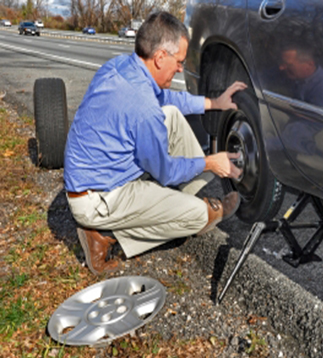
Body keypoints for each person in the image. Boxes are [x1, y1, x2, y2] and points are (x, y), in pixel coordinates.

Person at [63, 11, 246, 275]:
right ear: (161, 57)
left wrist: (213, 103)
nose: (181, 68)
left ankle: (181, 198)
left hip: (96, 177)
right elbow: (166, 170)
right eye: (180, 61)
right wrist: (209, 162)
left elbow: (168, 100)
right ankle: (105, 235)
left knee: (170, 114)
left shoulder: (122, 67)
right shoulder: (143, 108)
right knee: (198, 216)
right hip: (99, 198)